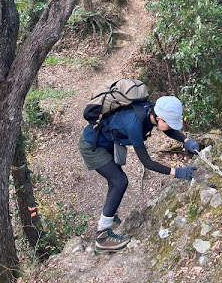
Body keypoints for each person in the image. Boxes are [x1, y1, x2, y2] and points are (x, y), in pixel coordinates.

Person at [79, 95, 200, 253]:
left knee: (115, 181)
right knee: (120, 181)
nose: (171, 126)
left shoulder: (150, 110)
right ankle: (102, 237)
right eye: (169, 122)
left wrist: (186, 141)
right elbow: (147, 162)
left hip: (105, 140)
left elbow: (167, 129)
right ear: (159, 118)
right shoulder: (134, 124)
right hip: (92, 146)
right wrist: (178, 172)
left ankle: (110, 215)